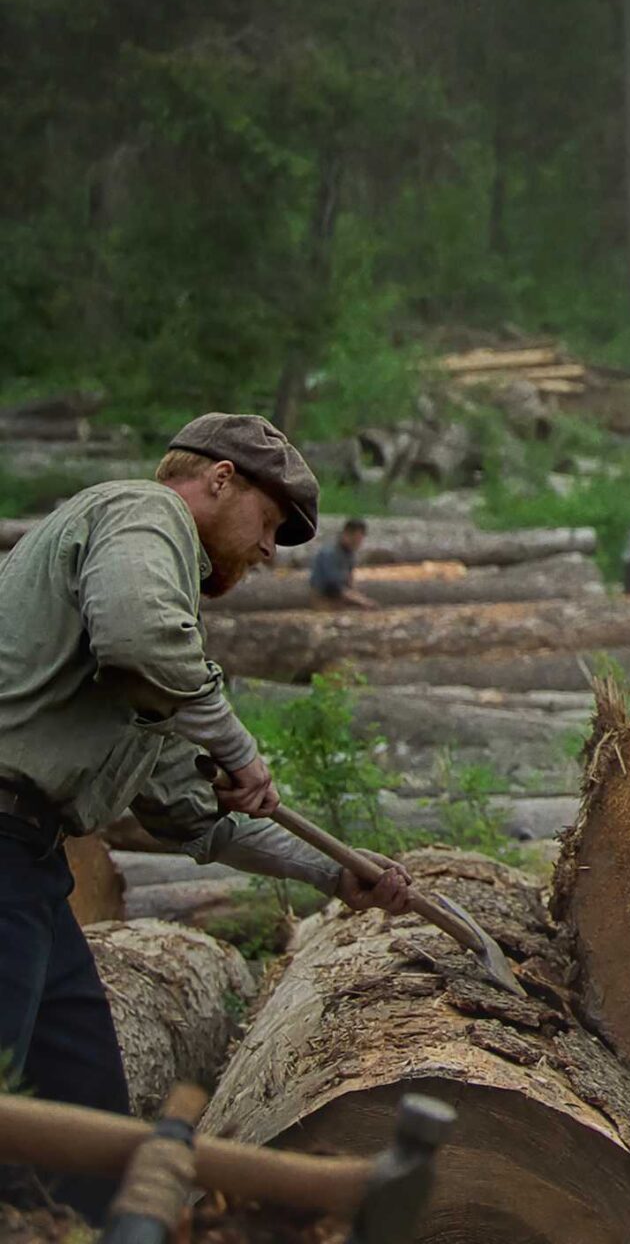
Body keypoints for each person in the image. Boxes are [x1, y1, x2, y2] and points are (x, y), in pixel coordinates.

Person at [0, 414, 418, 1220]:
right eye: (268, 522)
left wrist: (334, 872)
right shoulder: (142, 512)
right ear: (220, 480)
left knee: (84, 1124)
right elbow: (140, 637)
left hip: (28, 867)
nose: (268, 551)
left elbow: (193, 820)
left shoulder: (154, 676)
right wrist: (238, 746)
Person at [306, 516, 377, 609]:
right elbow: (334, 585)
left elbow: (350, 580)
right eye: (354, 540)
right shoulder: (330, 553)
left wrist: (358, 596)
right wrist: (360, 600)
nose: (357, 544)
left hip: (341, 594)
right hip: (323, 596)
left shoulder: (349, 553)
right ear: (346, 534)